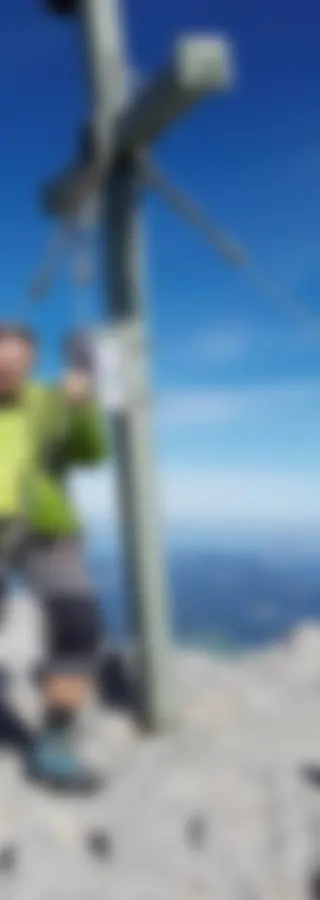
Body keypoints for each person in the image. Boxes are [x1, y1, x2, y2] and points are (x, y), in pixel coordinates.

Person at [0, 322, 109, 792]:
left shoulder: (48, 401)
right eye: (3, 357)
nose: (10, 366)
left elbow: (92, 453)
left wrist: (83, 403)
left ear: (32, 365)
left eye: (20, 360)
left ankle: (54, 743)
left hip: (45, 528)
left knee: (79, 622)